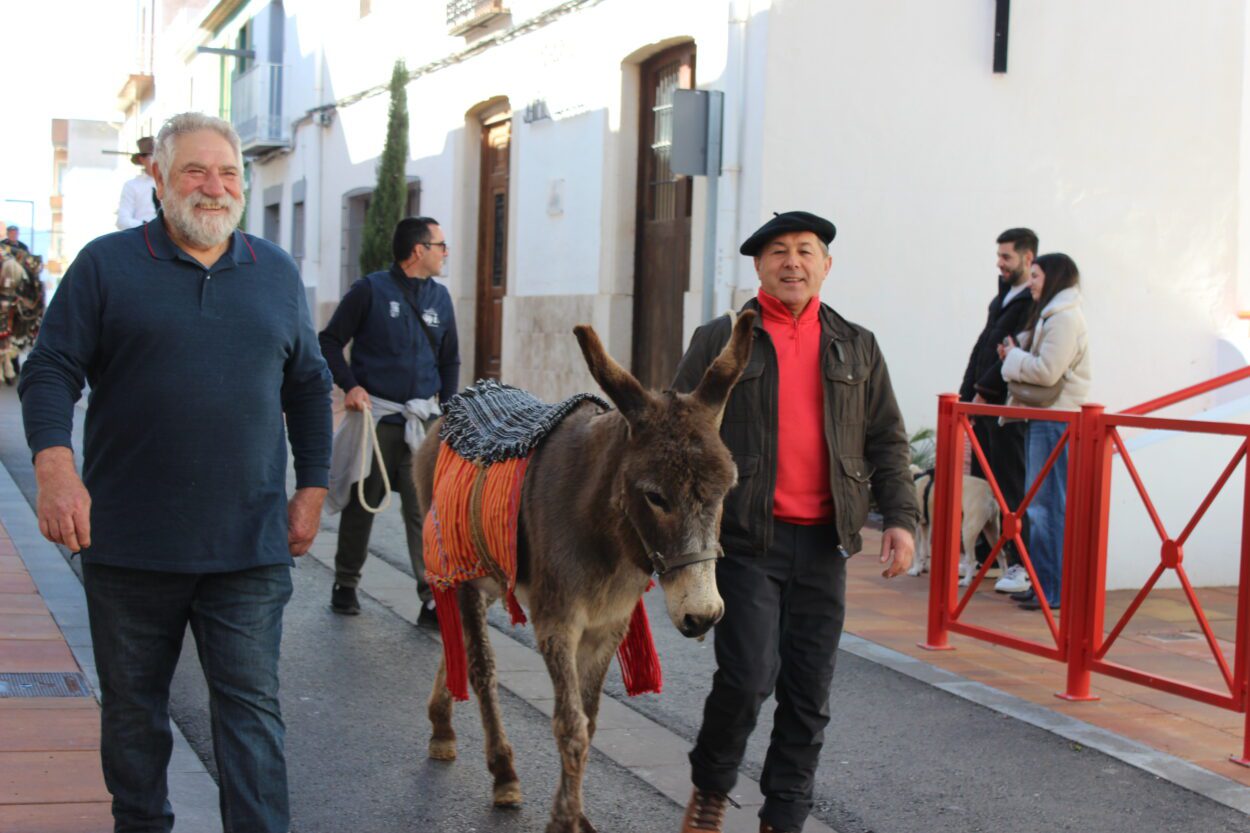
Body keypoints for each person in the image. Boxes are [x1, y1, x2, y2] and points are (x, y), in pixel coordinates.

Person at [18, 111, 332, 833]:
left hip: (248, 545)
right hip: (131, 545)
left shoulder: (275, 272)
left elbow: (309, 384)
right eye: (195, 171)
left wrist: (312, 489)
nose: (214, 187)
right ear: (159, 178)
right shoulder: (106, 265)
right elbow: (51, 368)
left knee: (252, 716)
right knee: (134, 715)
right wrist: (56, 466)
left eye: (228, 173)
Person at [671, 211, 918, 833]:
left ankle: (784, 817)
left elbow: (886, 438)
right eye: (779, 251)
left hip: (826, 544)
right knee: (748, 676)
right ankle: (711, 788)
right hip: (745, 540)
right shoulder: (720, 339)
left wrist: (901, 518)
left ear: (826, 266)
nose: (793, 262)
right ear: (759, 266)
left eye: (806, 251)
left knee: (809, 690)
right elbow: (677, 437)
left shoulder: (856, 344)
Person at [318, 216, 460, 621]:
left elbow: (449, 360)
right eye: (440, 245)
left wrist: (449, 414)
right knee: (362, 503)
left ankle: (431, 598)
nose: (445, 253)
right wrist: (350, 386)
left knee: (424, 512)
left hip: (422, 422)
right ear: (419, 250)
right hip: (376, 418)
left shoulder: (440, 298)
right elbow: (329, 341)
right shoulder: (370, 291)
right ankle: (346, 583)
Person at [998, 252, 1091, 611]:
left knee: (1046, 506)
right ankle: (1043, 585)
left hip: (1055, 420)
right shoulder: (1054, 315)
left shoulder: (1063, 317)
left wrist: (1012, 359)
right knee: (1040, 506)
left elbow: (1048, 371)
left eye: (1036, 276)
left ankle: (1052, 589)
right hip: (1047, 418)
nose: (1031, 283)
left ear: (1052, 278)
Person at [959, 227, 1037, 594]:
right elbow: (983, 347)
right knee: (982, 483)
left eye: (1006, 256)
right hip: (984, 406)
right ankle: (984, 557)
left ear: (1027, 258)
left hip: (1008, 409)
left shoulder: (1032, 303)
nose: (1000, 263)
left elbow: (1011, 353)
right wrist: (968, 394)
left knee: (1010, 484)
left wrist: (984, 393)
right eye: (999, 256)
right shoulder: (1003, 297)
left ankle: (1020, 562)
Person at [117, 136, 160, 230]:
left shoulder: (172, 183)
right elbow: (122, 221)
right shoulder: (132, 186)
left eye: (161, 156)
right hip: (142, 235)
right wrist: (147, 226)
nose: (158, 160)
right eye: (153, 156)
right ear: (142, 159)